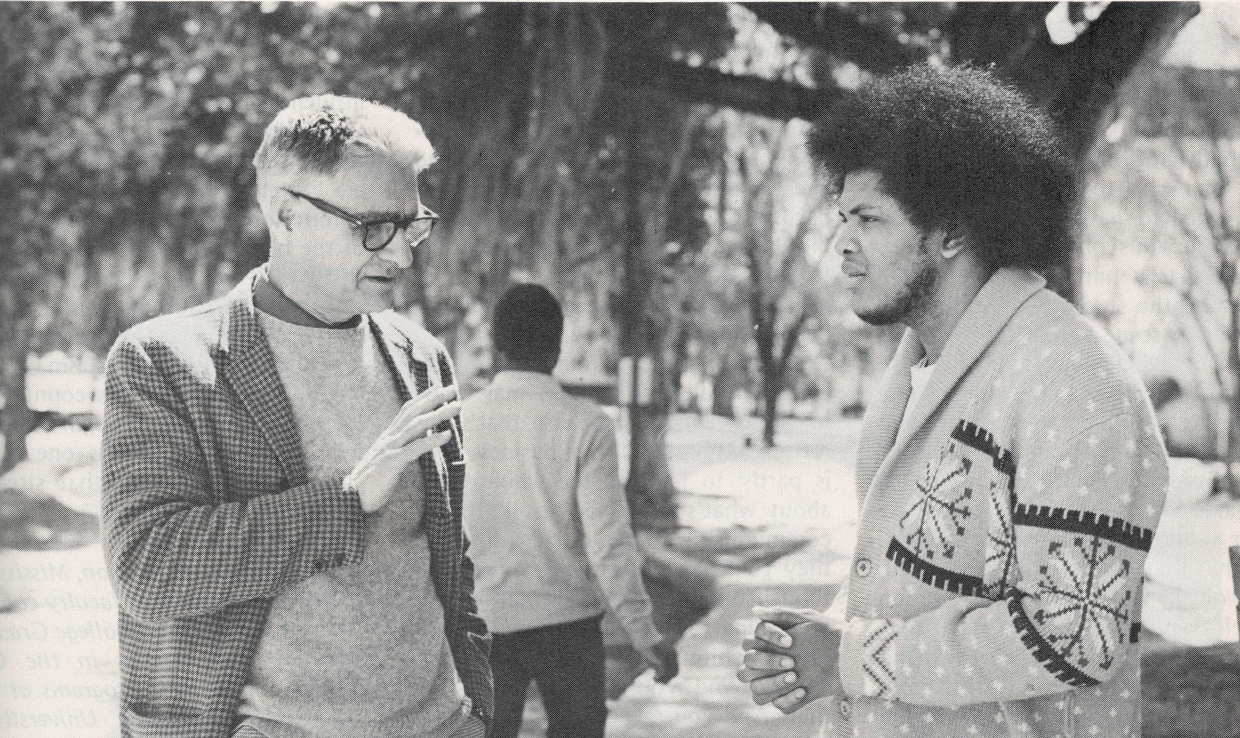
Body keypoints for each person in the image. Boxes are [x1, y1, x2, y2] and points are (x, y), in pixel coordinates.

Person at [738, 64, 1168, 738]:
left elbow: (1076, 630)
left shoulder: (1076, 382)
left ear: (953, 232)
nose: (841, 244)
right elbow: (918, 583)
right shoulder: (926, 364)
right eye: (842, 217)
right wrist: (824, 640)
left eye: (869, 219)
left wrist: (854, 657)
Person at [101, 95, 490, 738]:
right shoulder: (164, 360)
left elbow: (451, 561)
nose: (401, 257)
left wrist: (479, 708)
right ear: (285, 213)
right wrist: (345, 503)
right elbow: (150, 567)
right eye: (373, 228)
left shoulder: (422, 357)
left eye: (411, 224)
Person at [461, 283, 678, 738]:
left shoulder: (460, 420)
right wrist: (644, 634)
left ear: (498, 345)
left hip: (483, 625)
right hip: (568, 631)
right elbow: (610, 543)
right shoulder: (586, 425)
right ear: (557, 345)